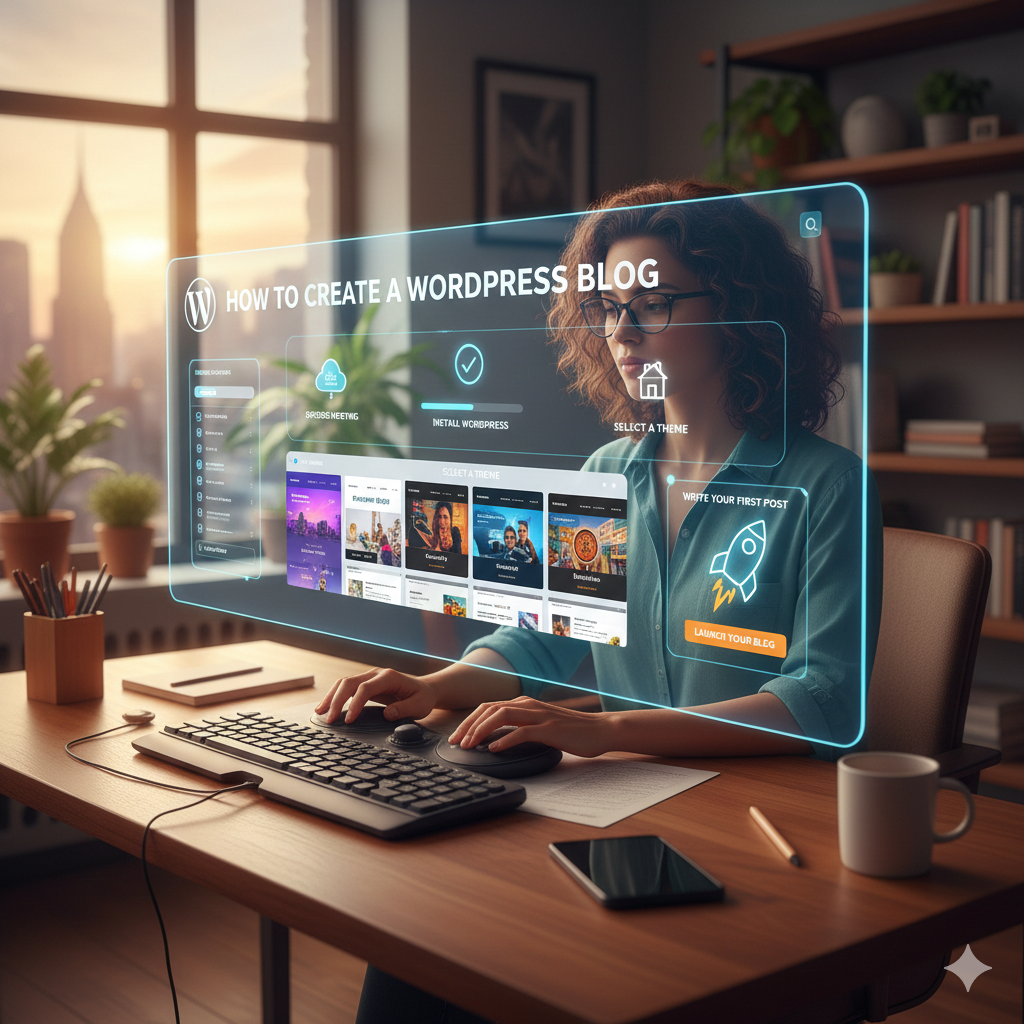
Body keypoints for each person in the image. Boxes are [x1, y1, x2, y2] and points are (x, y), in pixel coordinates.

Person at [317, 179, 881, 1024]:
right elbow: (539, 641)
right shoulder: (605, 474)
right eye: (610, 307)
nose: (622, 330)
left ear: (738, 310)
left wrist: (605, 732)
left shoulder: (829, 485)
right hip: (624, 813)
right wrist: (433, 688)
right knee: (421, 939)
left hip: (763, 833)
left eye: (652, 303)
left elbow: (820, 701)